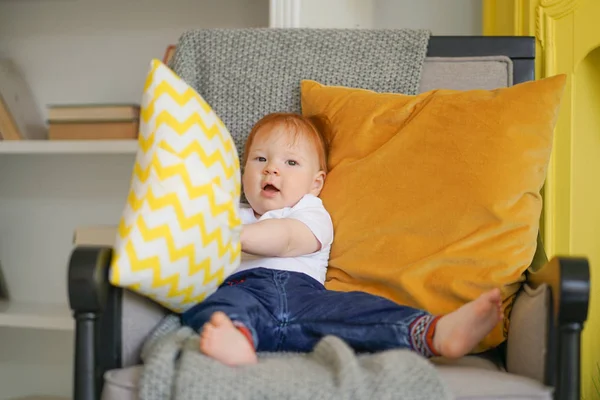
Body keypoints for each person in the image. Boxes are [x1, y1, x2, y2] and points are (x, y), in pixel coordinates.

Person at [181, 112, 503, 367]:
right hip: (244, 292)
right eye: (260, 159)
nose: (272, 171)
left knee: (359, 310)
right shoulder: (227, 215)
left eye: (290, 163)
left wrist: (233, 237)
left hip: (303, 296)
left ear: (315, 182)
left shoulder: (310, 211)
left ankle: (433, 333)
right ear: (243, 171)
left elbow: (288, 239)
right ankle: (238, 337)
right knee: (215, 306)